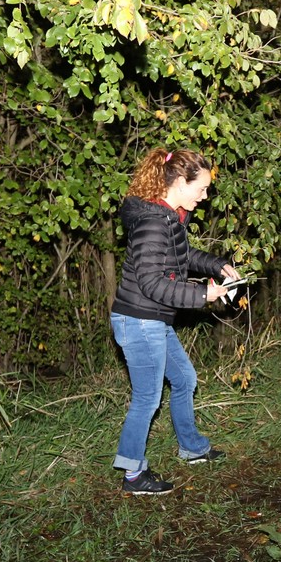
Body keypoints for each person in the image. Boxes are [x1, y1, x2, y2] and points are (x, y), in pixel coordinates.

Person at [110, 147, 240, 495]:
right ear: (181, 182)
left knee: (184, 379)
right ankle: (133, 474)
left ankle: (192, 448)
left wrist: (216, 265)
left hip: (151, 319)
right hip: (139, 320)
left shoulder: (169, 216)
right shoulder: (153, 223)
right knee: (147, 399)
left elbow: (181, 256)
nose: (205, 196)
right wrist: (202, 295)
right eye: (202, 188)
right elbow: (152, 284)